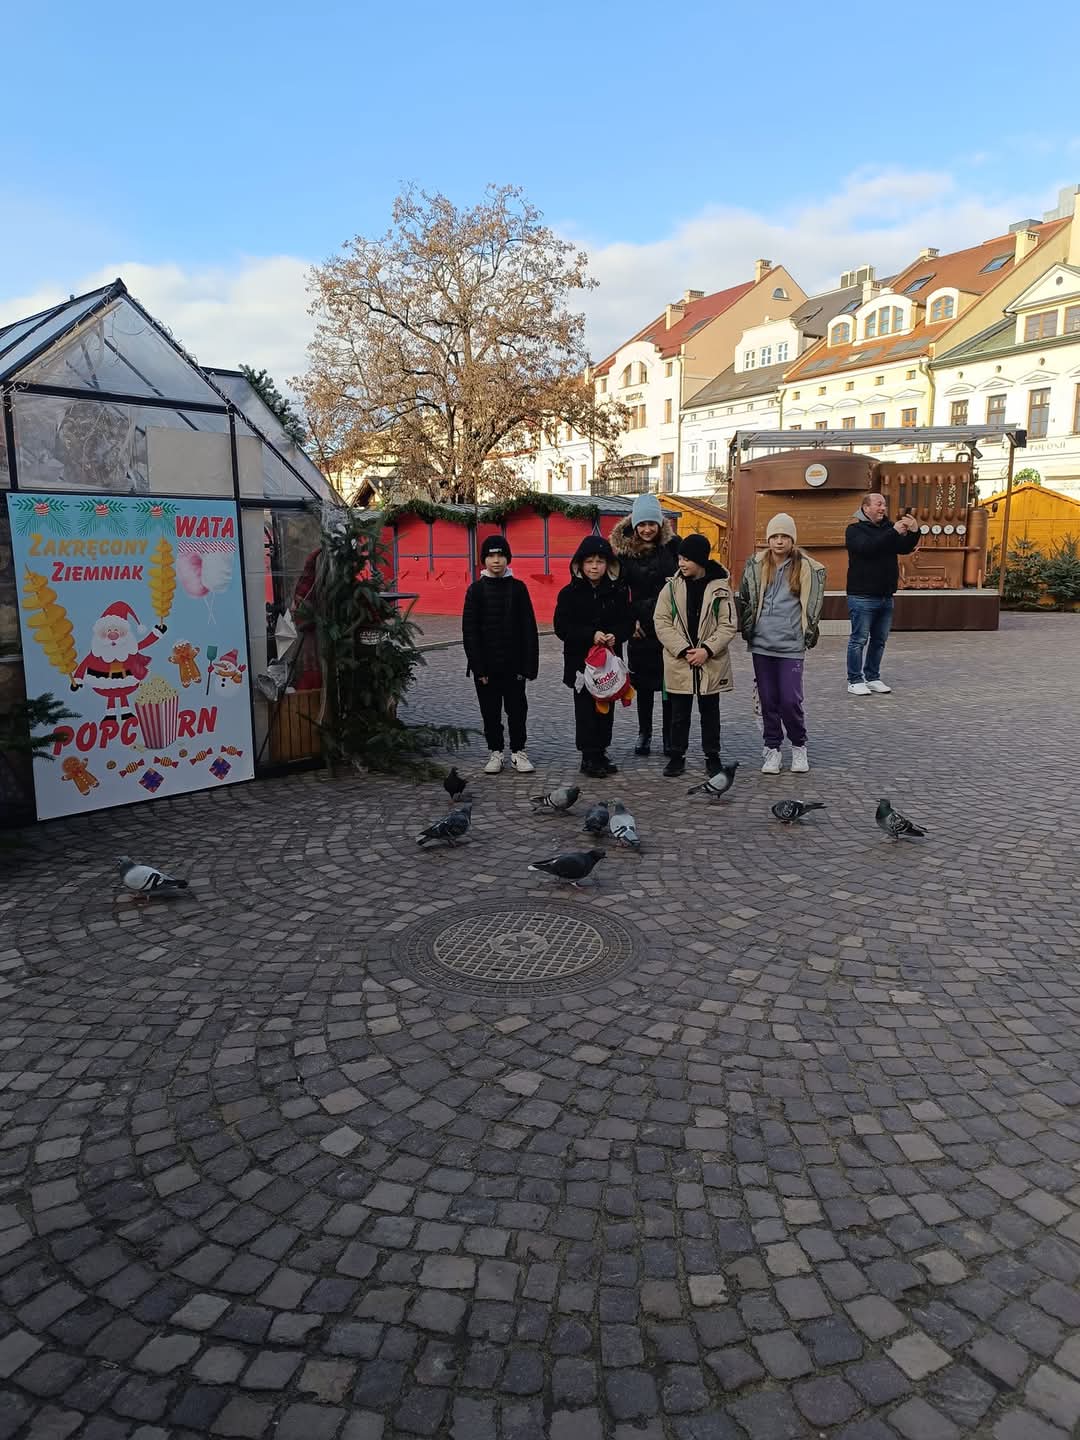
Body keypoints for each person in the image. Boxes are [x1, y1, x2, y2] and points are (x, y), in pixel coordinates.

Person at [737, 513, 826, 774]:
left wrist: (807, 633)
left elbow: (812, 605)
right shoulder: (756, 565)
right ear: (768, 539)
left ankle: (799, 745)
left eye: (784, 536)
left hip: (791, 645)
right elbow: (746, 599)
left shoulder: (807, 568)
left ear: (792, 539)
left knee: (790, 699)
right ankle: (772, 748)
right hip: (762, 644)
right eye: (774, 536)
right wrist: (749, 628)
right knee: (768, 700)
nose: (779, 541)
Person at [652, 533, 737, 779]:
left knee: (710, 713)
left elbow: (728, 625)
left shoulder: (720, 588)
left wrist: (707, 650)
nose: (681, 563)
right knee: (679, 714)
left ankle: (712, 756)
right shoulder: (671, 588)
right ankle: (676, 756)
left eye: (686, 559)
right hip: (680, 661)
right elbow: (661, 621)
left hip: (710, 661)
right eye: (679, 558)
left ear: (700, 560)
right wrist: (682, 649)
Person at [553, 535, 634, 778]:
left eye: (600, 561)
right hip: (581, 664)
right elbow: (562, 627)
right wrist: (591, 634)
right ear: (580, 564)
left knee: (606, 708)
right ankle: (588, 756)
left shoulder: (618, 591)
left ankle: (601, 751)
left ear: (608, 564)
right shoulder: (569, 593)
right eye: (589, 562)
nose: (594, 567)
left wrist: (615, 635)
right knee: (586, 711)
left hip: (609, 666)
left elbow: (628, 623)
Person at [609, 493, 681, 756]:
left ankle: (668, 735)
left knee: (669, 684)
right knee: (644, 685)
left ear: (659, 524)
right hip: (639, 628)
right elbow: (619, 592)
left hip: (669, 626)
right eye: (642, 524)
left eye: (652, 523)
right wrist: (630, 621)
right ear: (635, 525)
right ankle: (644, 732)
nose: (647, 529)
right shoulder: (624, 553)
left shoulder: (673, 547)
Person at [462, 535, 539, 774]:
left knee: (517, 711)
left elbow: (529, 628)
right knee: (490, 712)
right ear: (484, 560)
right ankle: (495, 752)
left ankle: (518, 751)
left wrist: (529, 667)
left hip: (514, 666)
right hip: (487, 668)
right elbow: (470, 632)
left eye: (500, 555)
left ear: (508, 558)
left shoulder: (518, 588)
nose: (496, 561)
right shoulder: (476, 590)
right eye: (491, 556)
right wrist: (478, 668)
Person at [845, 492, 920, 695]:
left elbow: (903, 548)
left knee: (879, 640)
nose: (883, 508)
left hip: (886, 596)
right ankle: (854, 680)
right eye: (878, 504)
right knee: (859, 640)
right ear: (865, 507)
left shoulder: (888, 528)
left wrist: (914, 532)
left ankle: (872, 677)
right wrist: (893, 532)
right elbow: (868, 548)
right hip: (862, 596)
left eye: (884, 505)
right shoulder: (854, 530)